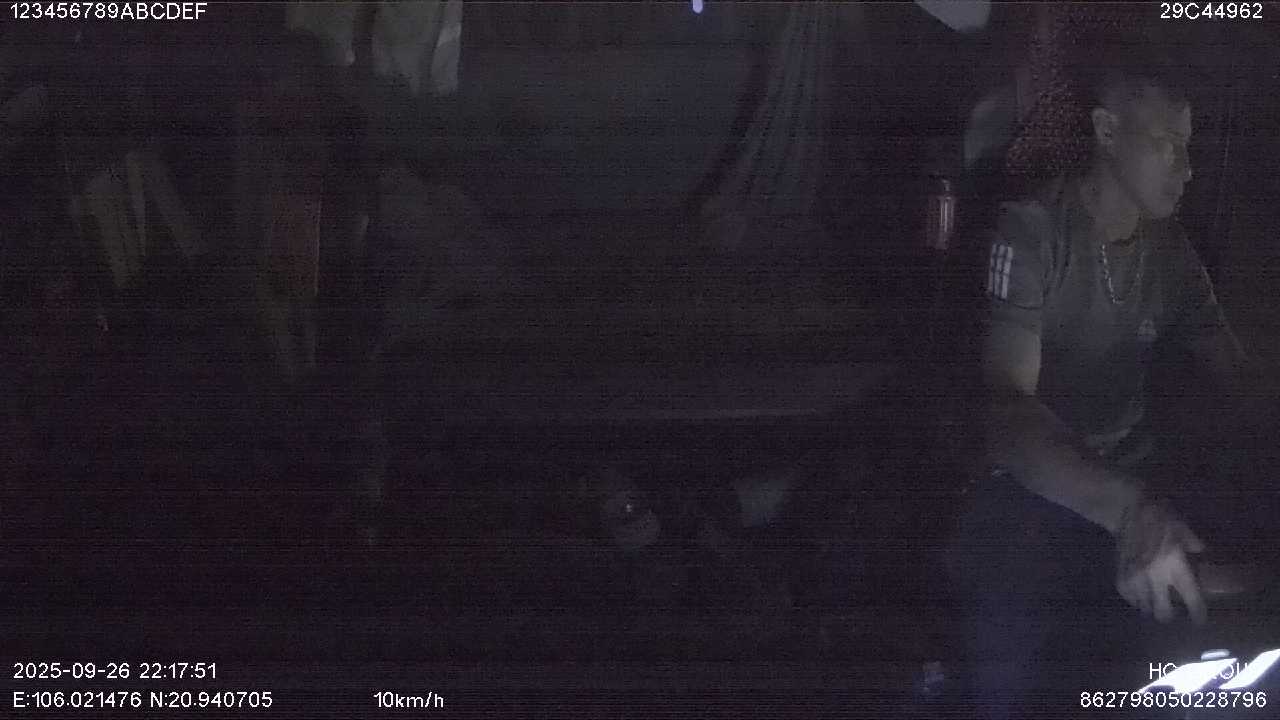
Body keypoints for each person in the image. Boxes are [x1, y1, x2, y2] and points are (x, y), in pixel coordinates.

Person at [947, 43, 1280, 714]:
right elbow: (1007, 413)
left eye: (1189, 149)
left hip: (1133, 471)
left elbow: (1240, 380)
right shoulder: (1031, 231)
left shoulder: (1172, 253)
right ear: (1106, 131)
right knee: (1007, 673)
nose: (1186, 169)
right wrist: (1130, 511)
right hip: (1026, 488)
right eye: (1167, 146)